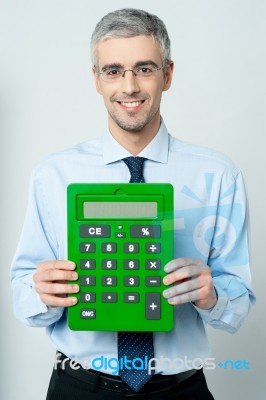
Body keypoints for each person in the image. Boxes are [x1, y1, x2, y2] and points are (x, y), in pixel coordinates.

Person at [11, 8, 255, 400]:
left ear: (168, 75)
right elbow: (23, 296)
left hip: (181, 390)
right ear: (96, 79)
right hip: (79, 386)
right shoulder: (53, 175)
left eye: (144, 68)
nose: (129, 86)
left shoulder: (218, 175)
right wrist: (41, 292)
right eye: (113, 70)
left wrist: (212, 295)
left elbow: (238, 303)